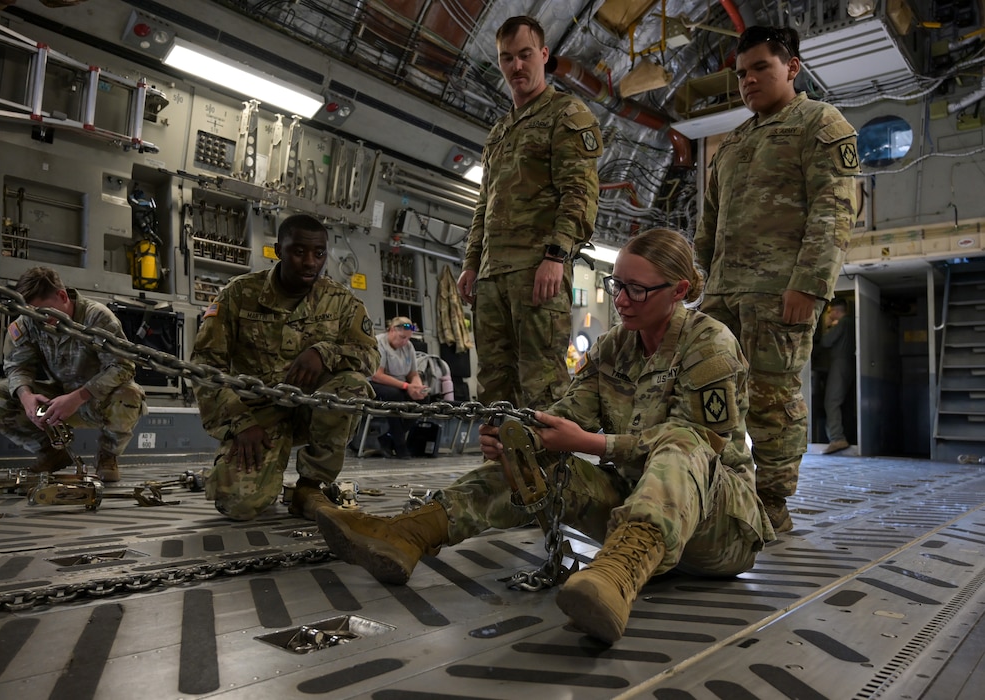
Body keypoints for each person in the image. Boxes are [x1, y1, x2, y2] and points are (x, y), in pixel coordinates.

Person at [318, 229, 774, 645]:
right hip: (636, 510)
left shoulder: (709, 343)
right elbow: (569, 413)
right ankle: (412, 532)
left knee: (682, 442)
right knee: (533, 456)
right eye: (617, 285)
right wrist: (522, 437)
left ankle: (616, 576)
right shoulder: (615, 347)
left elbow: (700, 444)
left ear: (678, 291)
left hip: (718, 529)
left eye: (638, 289)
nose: (622, 300)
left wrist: (592, 444)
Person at [693, 25, 859, 532]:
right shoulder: (733, 145)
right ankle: (713, 489)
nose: (748, 81)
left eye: (761, 67)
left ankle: (772, 504)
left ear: (792, 66)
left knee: (772, 400)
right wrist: (703, 283)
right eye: (741, 73)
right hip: (722, 295)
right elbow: (709, 226)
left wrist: (809, 284)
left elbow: (834, 210)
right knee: (706, 393)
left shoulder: (819, 123)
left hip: (779, 293)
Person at [191, 214, 378, 521]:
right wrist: (240, 423)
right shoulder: (239, 295)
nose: (310, 262)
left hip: (314, 407)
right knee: (239, 505)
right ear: (278, 250)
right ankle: (266, 475)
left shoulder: (342, 302)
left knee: (352, 385)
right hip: (259, 413)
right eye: (298, 251)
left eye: (319, 254)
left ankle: (310, 485)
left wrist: (325, 352)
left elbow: (370, 356)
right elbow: (205, 364)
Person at [457, 15, 602, 409]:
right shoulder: (500, 131)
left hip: (538, 273)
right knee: (493, 387)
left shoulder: (566, 114)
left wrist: (556, 256)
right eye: (507, 58)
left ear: (543, 54)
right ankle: (500, 469)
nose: (516, 66)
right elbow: (484, 205)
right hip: (491, 277)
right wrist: (471, 263)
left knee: (541, 385)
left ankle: (545, 470)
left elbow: (579, 193)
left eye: (524, 55)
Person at [0, 266, 146, 483]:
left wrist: (78, 397)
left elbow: (123, 367)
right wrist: (26, 397)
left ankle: (107, 455)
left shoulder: (97, 318)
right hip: (55, 400)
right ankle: (51, 453)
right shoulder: (28, 321)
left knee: (130, 393)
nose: (40, 320)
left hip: (97, 401)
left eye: (44, 312)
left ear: (62, 296)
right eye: (33, 313)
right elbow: (17, 366)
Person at [368, 316, 428, 458]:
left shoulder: (408, 346)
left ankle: (388, 438)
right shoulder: (379, 343)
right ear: (392, 330)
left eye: (408, 338)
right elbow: (377, 375)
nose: (405, 342)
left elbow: (413, 373)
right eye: (402, 337)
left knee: (423, 400)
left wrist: (417, 387)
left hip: (401, 384)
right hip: (376, 383)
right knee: (395, 396)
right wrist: (407, 386)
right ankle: (400, 445)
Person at [820, 298, 855, 454]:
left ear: (836, 311)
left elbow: (826, 342)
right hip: (849, 363)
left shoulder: (842, 323)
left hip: (840, 364)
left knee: (831, 401)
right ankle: (842, 436)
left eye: (830, 312)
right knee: (843, 403)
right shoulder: (851, 323)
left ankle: (837, 438)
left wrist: (827, 326)